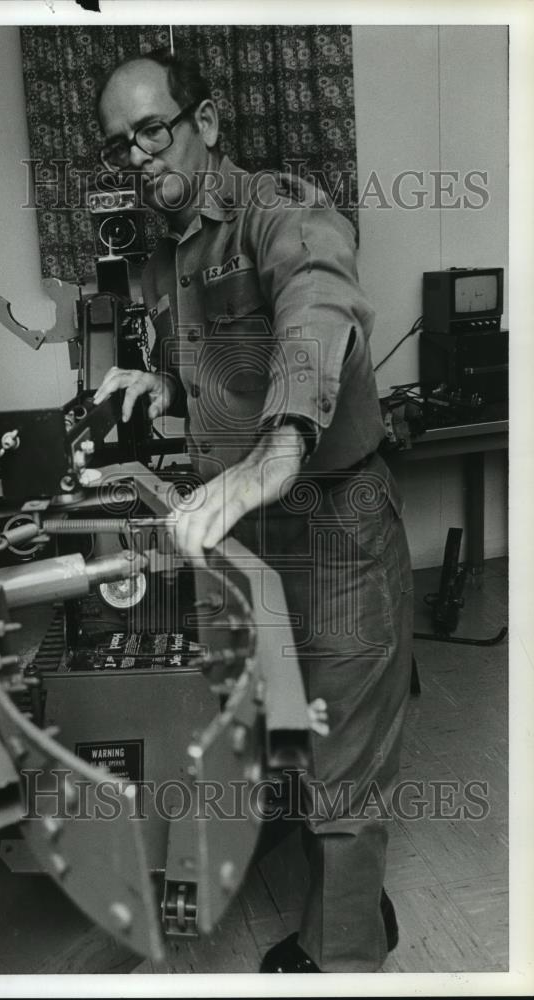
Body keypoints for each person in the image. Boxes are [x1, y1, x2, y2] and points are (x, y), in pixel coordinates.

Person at [92, 47, 414, 973]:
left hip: (334, 524)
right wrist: (161, 388)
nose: (140, 157)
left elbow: (313, 311)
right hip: (246, 542)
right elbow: (205, 356)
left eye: (153, 129)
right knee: (280, 730)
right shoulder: (164, 249)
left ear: (208, 120)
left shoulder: (285, 211)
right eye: (120, 146)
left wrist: (271, 454)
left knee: (344, 765)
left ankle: (344, 947)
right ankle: (304, 858)